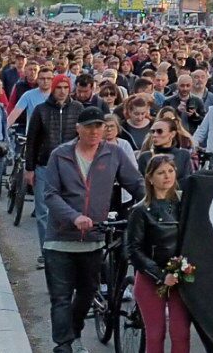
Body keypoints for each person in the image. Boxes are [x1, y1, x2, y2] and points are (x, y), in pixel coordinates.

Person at [40, 107, 145, 353]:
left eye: (99, 126)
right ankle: (63, 345)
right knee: (61, 297)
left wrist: (151, 203)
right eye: (89, 127)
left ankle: (74, 333)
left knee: (87, 293)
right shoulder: (60, 155)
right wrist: (74, 217)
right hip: (60, 239)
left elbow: (135, 183)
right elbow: (51, 194)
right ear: (78, 129)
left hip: (94, 238)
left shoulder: (113, 153)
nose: (95, 131)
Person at [128, 155, 190, 353]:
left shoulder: (183, 204)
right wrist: (161, 276)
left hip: (180, 276)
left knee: (181, 333)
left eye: (171, 171)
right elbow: (134, 250)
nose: (167, 176)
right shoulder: (140, 210)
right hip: (151, 278)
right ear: (150, 178)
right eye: (161, 173)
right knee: (155, 335)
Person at [25, 75, 82, 258]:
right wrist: (29, 168)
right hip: (44, 166)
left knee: (69, 208)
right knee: (43, 210)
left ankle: (64, 248)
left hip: (71, 167)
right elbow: (32, 141)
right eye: (59, 87)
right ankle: (46, 251)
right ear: (53, 88)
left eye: (66, 87)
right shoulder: (41, 110)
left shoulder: (78, 108)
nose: (62, 91)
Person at [136, 116, 196, 183]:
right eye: (152, 131)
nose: (154, 135)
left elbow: (187, 181)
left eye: (159, 131)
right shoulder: (145, 156)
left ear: (172, 134)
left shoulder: (183, 154)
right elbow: (141, 183)